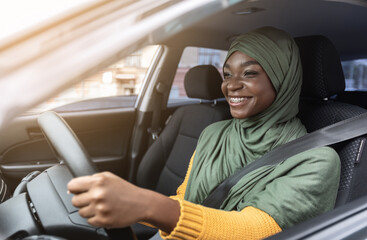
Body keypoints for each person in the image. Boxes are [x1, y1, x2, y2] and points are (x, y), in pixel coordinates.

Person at [67, 27, 340, 239]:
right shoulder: (215, 133)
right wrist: (126, 208)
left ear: (282, 79)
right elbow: (187, 199)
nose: (232, 86)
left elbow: (257, 230)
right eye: (227, 74)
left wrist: (147, 205)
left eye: (249, 73)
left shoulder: (316, 159)